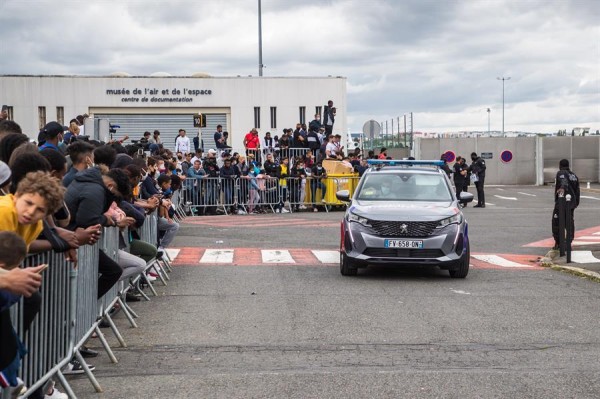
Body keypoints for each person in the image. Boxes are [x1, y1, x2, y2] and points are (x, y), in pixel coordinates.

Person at [552, 159, 580, 250]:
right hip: (571, 204)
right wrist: (575, 203)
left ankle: (559, 243)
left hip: (561, 202)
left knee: (556, 222)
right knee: (569, 223)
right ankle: (568, 243)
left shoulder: (561, 173)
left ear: (560, 165)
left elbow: (563, 180)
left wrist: (563, 188)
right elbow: (577, 191)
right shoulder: (574, 176)